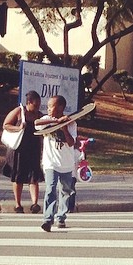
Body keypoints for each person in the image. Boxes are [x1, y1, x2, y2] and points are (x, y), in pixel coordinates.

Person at [35, 95, 77, 232]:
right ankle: (47, 219)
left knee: (65, 191)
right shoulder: (47, 120)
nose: (48, 109)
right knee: (50, 189)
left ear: (60, 107)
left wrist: (64, 127)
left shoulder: (71, 123)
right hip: (50, 163)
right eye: (47, 107)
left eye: (50, 106)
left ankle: (61, 217)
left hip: (66, 163)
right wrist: (57, 121)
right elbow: (36, 123)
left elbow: (71, 143)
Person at [2, 90, 44, 214]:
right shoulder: (19, 112)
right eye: (35, 105)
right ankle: (18, 204)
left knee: (34, 177)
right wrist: (19, 128)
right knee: (18, 177)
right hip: (18, 150)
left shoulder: (39, 115)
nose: (37, 108)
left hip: (34, 149)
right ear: (29, 102)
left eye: (39, 105)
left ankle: (35, 204)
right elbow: (6, 125)